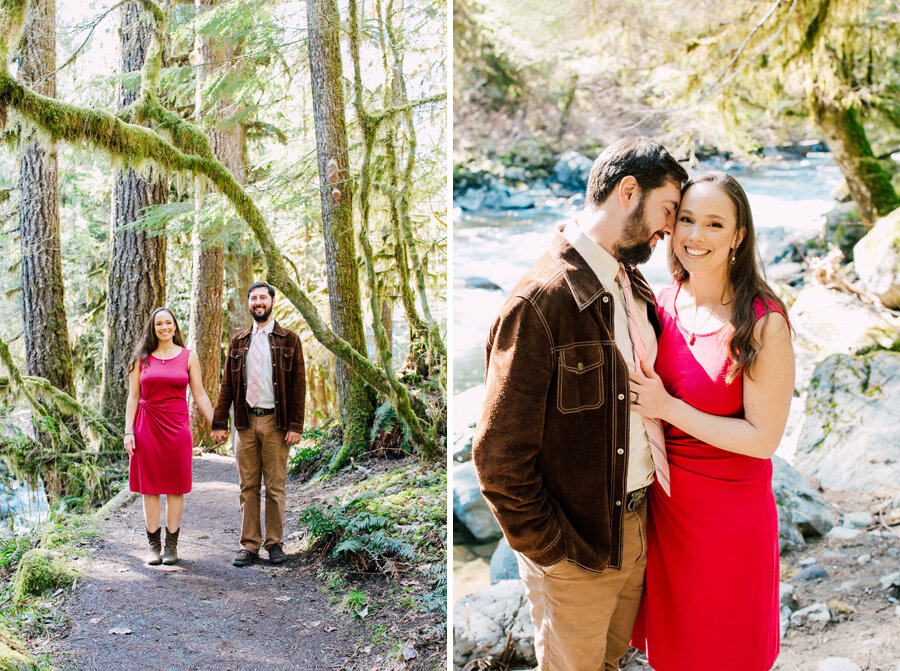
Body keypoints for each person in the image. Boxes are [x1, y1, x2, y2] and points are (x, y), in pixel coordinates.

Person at [472, 136, 688, 671]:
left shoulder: (633, 287)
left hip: (634, 529)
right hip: (573, 552)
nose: (669, 231)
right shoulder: (539, 303)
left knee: (612, 664)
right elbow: (497, 458)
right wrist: (553, 553)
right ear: (628, 191)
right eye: (667, 211)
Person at [629, 171, 794, 670]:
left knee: (727, 655)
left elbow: (763, 439)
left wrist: (668, 408)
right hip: (666, 515)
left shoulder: (763, 321)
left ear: (739, 236)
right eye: (687, 220)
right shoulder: (658, 304)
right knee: (674, 656)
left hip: (729, 522)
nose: (695, 237)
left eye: (715, 224)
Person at [210, 282, 305, 567]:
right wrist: (219, 421)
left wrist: (295, 425)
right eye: (253, 298)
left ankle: (275, 544)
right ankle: (249, 545)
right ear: (249, 303)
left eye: (263, 297)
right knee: (248, 486)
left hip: (276, 423)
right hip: (245, 423)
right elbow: (227, 384)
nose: (258, 302)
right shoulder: (238, 341)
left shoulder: (290, 340)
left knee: (275, 487)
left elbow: (299, 385)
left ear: (273, 301)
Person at [126, 307, 216, 565]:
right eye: (159, 324)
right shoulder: (141, 359)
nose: (164, 327)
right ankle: (153, 546)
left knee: (176, 487)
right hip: (146, 428)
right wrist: (128, 432)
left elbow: (199, 394)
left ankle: (172, 546)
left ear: (175, 326)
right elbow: (133, 397)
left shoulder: (189, 356)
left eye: (168, 323)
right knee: (150, 489)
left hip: (177, 429)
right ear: (153, 329)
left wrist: (215, 422)